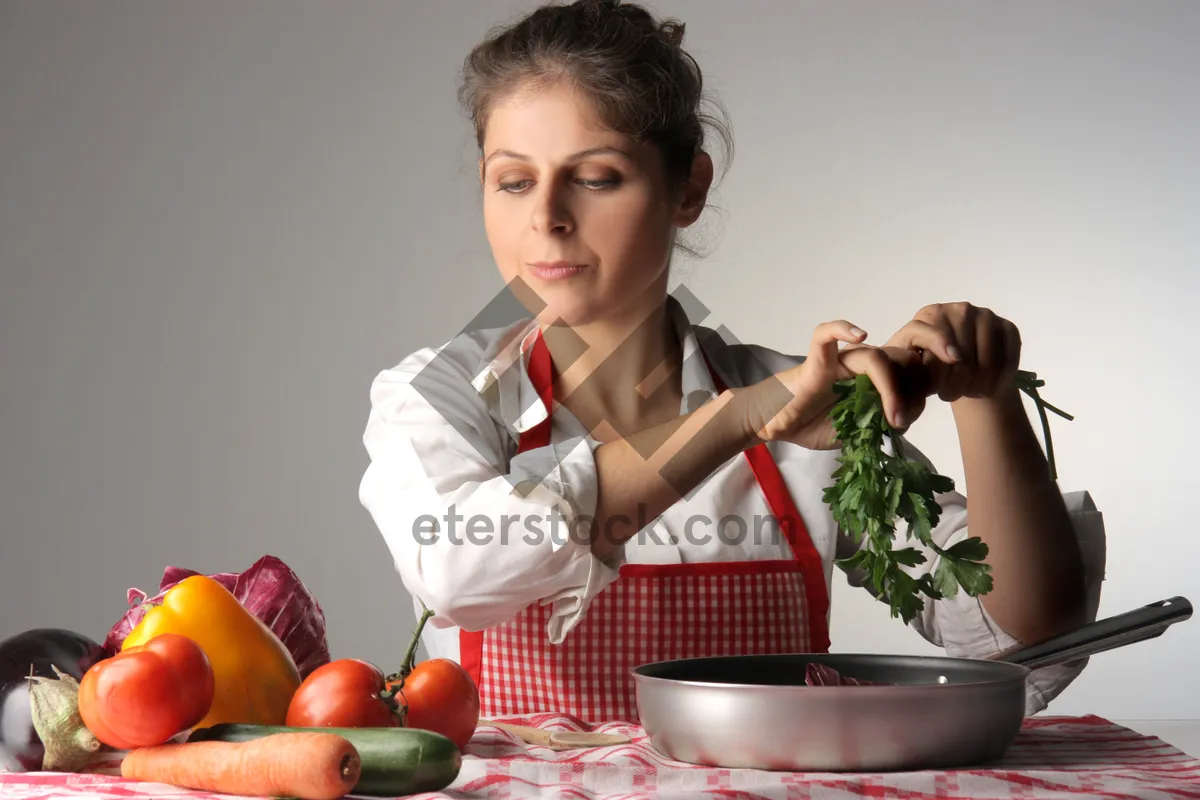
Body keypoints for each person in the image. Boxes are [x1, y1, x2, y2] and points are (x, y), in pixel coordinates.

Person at [358, 0, 1106, 723]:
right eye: (513, 181)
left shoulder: (804, 403)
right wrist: (742, 418)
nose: (546, 216)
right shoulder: (441, 397)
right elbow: (458, 568)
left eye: (596, 178)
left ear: (689, 188)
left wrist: (982, 395)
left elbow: (1020, 638)